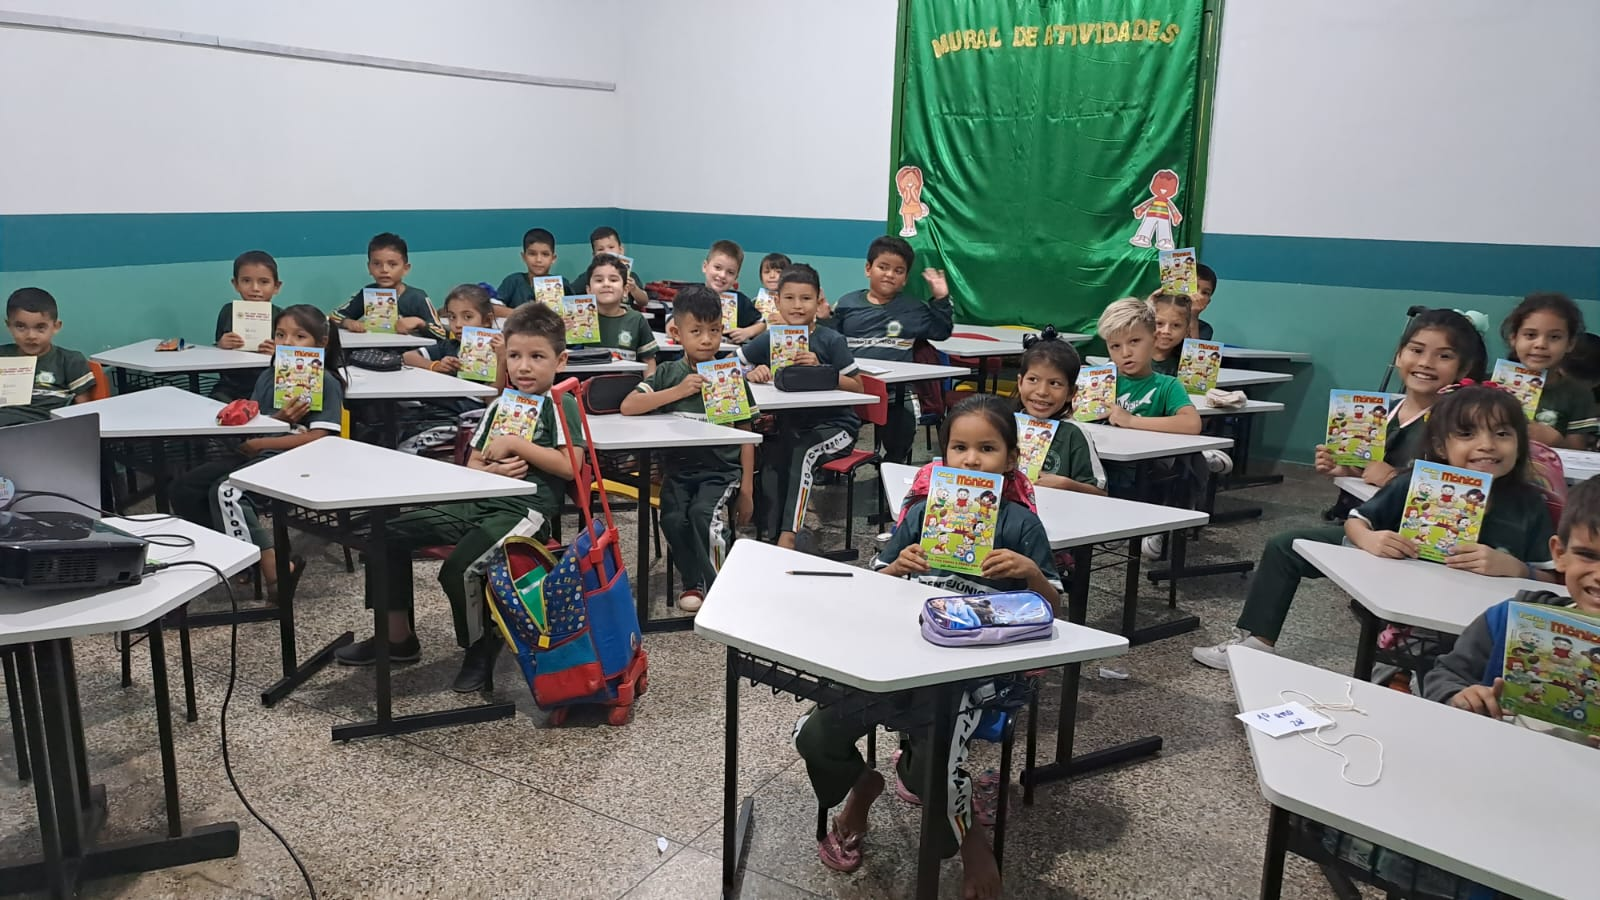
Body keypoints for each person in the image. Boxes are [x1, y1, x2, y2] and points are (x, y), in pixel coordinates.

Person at [794, 395, 1057, 900]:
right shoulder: (922, 515)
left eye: (987, 449)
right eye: (959, 447)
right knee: (814, 734)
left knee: (930, 774)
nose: (971, 460)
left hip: (965, 674)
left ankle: (966, 837)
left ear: (1011, 459)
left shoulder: (1021, 525)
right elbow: (872, 587)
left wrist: (1030, 575)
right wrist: (896, 568)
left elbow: (1052, 609)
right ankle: (863, 786)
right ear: (943, 454)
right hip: (894, 657)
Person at [1194, 382, 1560, 670]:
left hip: (1474, 618)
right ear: (1440, 445)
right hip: (1400, 580)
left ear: (1520, 443)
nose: (1487, 446)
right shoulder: (1416, 482)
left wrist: (1516, 568)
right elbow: (1356, 521)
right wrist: (1370, 540)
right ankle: (1258, 642)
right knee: (1286, 545)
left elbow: (1553, 581)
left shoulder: (1529, 503)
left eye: (1502, 434)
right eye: (1467, 434)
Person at [334, 303, 584, 692]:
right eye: (515, 356)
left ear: (560, 361)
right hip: (479, 501)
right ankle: (396, 637)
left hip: (527, 511)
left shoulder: (561, 404)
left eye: (537, 357)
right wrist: (493, 471)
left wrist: (517, 443)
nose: (523, 367)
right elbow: (473, 464)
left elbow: (571, 466)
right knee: (385, 534)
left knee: (460, 569)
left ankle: (480, 647)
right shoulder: (502, 405)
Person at [172, 305, 347, 597]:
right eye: (280, 335)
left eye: (300, 336)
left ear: (322, 343)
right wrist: (277, 421)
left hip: (297, 460)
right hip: (258, 452)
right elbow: (256, 423)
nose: (287, 342)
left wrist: (264, 442)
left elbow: (320, 437)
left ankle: (275, 570)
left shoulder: (325, 381)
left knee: (227, 491)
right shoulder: (268, 376)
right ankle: (235, 559)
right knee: (184, 488)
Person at [619, 286, 756, 612]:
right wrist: (677, 392)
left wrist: (747, 489)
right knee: (673, 518)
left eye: (715, 330)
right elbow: (629, 405)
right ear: (676, 333)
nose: (707, 340)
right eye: (696, 331)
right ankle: (693, 581)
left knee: (702, 516)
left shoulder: (729, 377)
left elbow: (747, 434)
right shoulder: (668, 374)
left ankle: (720, 587)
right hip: (679, 471)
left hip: (721, 471)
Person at [739, 263, 864, 546]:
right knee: (773, 453)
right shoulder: (771, 339)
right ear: (776, 301)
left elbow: (858, 386)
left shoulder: (831, 340)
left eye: (806, 298)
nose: (797, 306)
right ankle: (771, 534)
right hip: (790, 428)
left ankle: (789, 535)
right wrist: (751, 372)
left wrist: (823, 371)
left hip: (837, 428)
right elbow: (731, 365)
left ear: (818, 300)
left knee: (802, 452)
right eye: (789, 298)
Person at [816, 235, 953, 464]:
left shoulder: (914, 308)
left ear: (905, 279)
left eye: (898, 271)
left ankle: (892, 466)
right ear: (868, 269)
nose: (890, 274)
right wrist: (824, 319)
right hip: (852, 387)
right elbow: (831, 342)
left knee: (903, 426)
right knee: (826, 424)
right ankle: (828, 467)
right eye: (883, 267)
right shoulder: (847, 303)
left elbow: (941, 331)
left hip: (896, 392)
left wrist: (941, 298)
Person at [1320, 308, 1486, 490]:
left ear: (1464, 369)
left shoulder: (1460, 427)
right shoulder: (1377, 412)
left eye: (1444, 356)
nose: (1425, 363)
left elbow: (1461, 491)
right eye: (1417, 350)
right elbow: (1370, 474)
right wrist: (1347, 470)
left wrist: (1394, 479)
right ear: (1399, 356)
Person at [1012, 330, 1104, 494]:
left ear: (1071, 393)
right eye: (1033, 380)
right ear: (1020, 383)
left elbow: (1101, 492)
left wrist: (1068, 485)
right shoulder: (1006, 424)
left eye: (1055, 383)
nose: (1042, 391)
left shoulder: (1074, 434)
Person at [1501, 291, 1592, 449]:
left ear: (1570, 343)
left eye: (1554, 337)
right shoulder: (1488, 386)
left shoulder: (1578, 395)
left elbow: (1579, 452)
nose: (1541, 344)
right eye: (1530, 335)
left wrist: (1555, 441)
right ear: (1513, 339)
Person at [0, 287, 94, 427]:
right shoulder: (2, 356)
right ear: (9, 326)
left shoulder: (69, 361)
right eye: (20, 327)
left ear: (56, 326)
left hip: (44, 428)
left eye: (40, 327)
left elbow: (84, 412)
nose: (31, 336)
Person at [330, 232, 446, 340]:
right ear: (369, 268)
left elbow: (441, 333)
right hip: (372, 349)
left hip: (408, 352)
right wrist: (348, 322)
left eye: (392, 264)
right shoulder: (367, 294)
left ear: (405, 269)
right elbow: (333, 317)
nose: (384, 270)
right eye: (377, 264)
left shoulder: (417, 297)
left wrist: (420, 323)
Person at [212, 250, 284, 402]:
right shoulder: (228, 312)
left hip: (270, 385)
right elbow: (217, 350)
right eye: (246, 281)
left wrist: (278, 353)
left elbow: (295, 357)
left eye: (264, 282)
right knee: (216, 403)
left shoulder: (284, 317)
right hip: (231, 386)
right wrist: (221, 345)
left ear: (276, 286)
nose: (255, 288)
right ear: (236, 284)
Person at [402, 282, 505, 386]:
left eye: (468, 317)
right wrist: (436, 366)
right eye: (452, 317)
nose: (458, 324)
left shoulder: (500, 350)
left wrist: (501, 360)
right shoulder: (450, 346)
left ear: (487, 320)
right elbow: (408, 356)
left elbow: (494, 394)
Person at [574, 254, 657, 377]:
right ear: (589, 290)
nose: (606, 284)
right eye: (599, 280)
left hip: (628, 386)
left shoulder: (636, 319)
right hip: (586, 386)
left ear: (625, 290)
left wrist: (648, 386)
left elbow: (649, 361)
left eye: (613, 280)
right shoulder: (579, 319)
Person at [697, 239, 765, 344]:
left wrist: (747, 332)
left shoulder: (740, 300)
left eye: (730, 272)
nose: (722, 275)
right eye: (717, 268)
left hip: (730, 352)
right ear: (705, 267)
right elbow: (673, 321)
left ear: (736, 278)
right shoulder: (691, 295)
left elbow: (762, 324)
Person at [496, 228, 572, 308]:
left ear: (553, 258)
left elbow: (573, 309)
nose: (538, 260)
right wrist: (523, 313)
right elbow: (494, 308)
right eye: (532, 254)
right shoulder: (513, 281)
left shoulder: (561, 284)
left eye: (545, 254)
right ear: (524, 257)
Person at [577, 226, 649, 310]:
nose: (607, 252)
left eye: (611, 247)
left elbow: (644, 302)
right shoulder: (588, 277)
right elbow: (570, 295)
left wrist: (634, 289)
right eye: (600, 249)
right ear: (594, 255)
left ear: (621, 250)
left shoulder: (631, 277)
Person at [1147, 291, 1193, 377]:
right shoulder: (1130, 358)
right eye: (1159, 323)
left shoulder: (1186, 366)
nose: (1166, 331)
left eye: (1176, 325)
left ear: (1186, 332)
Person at [753, 251, 791, 323]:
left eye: (778, 272)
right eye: (767, 272)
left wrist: (787, 321)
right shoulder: (754, 303)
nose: (772, 276)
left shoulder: (795, 302)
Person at [1191, 263, 1217, 341]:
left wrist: (1193, 316)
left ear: (1208, 302)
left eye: (1205, 293)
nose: (1198, 295)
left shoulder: (1205, 329)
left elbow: (1192, 348)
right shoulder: (1160, 319)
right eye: (1194, 288)